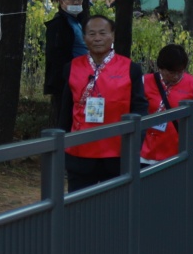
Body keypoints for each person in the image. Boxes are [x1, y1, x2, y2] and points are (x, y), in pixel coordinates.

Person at [56, 15, 149, 191]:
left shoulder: (130, 68)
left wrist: (135, 143)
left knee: (116, 203)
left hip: (118, 153)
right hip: (80, 151)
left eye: (102, 33)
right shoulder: (72, 67)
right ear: (84, 37)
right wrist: (62, 144)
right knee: (80, 204)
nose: (97, 38)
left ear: (112, 35)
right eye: (91, 34)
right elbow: (66, 110)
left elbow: (140, 108)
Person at [140, 45, 193, 164]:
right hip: (146, 154)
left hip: (178, 154)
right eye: (171, 72)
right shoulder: (144, 81)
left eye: (180, 72)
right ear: (161, 68)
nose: (176, 76)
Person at [43, 0, 89, 118]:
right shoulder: (58, 24)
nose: (76, 2)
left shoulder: (79, 21)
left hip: (84, 75)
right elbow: (55, 54)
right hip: (68, 78)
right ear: (61, 2)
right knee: (67, 115)